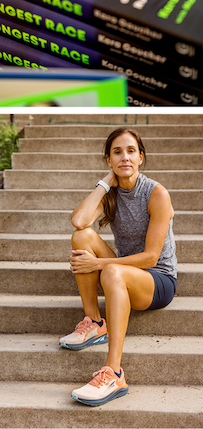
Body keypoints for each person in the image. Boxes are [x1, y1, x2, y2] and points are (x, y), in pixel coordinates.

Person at [61, 128, 176, 406]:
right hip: (122, 273)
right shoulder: (110, 193)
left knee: (111, 270)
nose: (125, 157)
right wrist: (103, 184)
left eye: (131, 151)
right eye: (117, 152)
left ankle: (114, 373)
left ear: (141, 158)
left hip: (157, 280)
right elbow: (79, 220)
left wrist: (99, 263)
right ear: (108, 160)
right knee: (81, 237)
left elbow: (150, 257)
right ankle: (95, 323)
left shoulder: (156, 194)